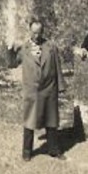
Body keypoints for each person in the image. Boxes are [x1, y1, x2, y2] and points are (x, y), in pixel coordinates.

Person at [21, 20, 63, 161]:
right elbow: (11, 63)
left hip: (49, 88)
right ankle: (27, 151)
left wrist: (61, 85)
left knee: (51, 120)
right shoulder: (24, 48)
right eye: (34, 32)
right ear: (29, 31)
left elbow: (57, 66)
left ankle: (53, 149)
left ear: (43, 31)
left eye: (39, 32)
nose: (37, 35)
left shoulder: (50, 46)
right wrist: (9, 50)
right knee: (30, 120)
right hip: (32, 90)